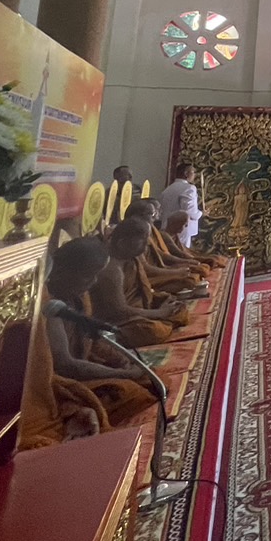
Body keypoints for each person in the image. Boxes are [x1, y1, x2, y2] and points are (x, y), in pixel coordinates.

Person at [39, 237, 159, 433]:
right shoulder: (50, 308)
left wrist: (120, 360)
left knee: (150, 378)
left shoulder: (79, 297)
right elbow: (66, 365)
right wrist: (122, 374)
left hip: (85, 367)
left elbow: (92, 341)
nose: (94, 282)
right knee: (133, 392)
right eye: (88, 276)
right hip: (61, 385)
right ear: (62, 272)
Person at [89, 217, 189, 346]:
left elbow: (143, 288)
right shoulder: (111, 270)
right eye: (142, 241)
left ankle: (164, 319)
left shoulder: (131, 257)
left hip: (141, 307)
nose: (147, 245)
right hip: (120, 321)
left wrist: (161, 301)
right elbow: (120, 311)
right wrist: (158, 313)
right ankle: (163, 321)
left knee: (178, 306)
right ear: (122, 243)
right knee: (153, 330)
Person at [158, 162, 203, 247]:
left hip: (166, 228)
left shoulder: (168, 189)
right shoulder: (189, 188)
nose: (195, 175)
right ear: (186, 174)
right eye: (193, 172)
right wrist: (201, 213)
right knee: (181, 252)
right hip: (181, 230)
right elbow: (189, 211)